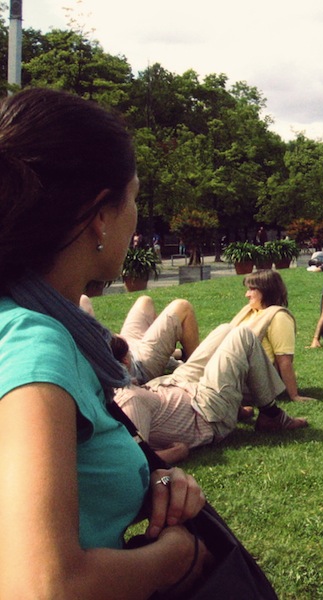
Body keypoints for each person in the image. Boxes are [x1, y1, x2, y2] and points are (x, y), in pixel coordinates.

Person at [0, 88, 208, 597]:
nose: (135, 217)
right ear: (100, 215)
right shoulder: (36, 346)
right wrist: (177, 557)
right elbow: (45, 587)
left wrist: (149, 486)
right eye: (133, 197)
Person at [114, 322, 308, 463]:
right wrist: (177, 453)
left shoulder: (117, 388)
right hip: (205, 413)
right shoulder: (129, 400)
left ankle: (238, 407)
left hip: (176, 385)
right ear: (124, 362)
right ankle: (271, 415)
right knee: (242, 336)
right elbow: (134, 462)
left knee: (226, 330)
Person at [230, 269, 315, 402]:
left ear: (266, 291)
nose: (247, 294)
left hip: (253, 381)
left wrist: (294, 395)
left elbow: (284, 360)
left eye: (252, 289)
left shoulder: (279, 317)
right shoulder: (250, 311)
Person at [82, 294, 201, 384]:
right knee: (183, 307)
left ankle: (170, 359)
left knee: (145, 302)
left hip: (127, 346)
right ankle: (198, 371)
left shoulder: (71, 320)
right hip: (139, 364)